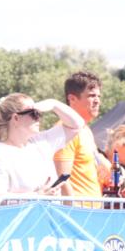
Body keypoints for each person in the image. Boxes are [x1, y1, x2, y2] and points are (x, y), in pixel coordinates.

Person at [0, 94, 84, 205]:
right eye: (33, 113)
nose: (38, 117)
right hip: (21, 221)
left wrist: (54, 104)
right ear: (16, 118)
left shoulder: (42, 142)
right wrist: (37, 197)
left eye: (39, 113)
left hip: (49, 219)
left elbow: (77, 125)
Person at [53, 71, 106, 204]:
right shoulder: (65, 130)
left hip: (91, 212)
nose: (97, 101)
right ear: (72, 99)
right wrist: (74, 211)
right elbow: (62, 179)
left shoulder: (86, 130)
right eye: (91, 96)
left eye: (98, 96)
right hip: (78, 214)